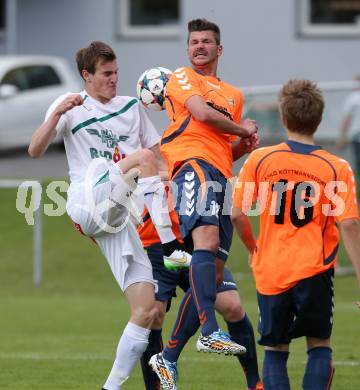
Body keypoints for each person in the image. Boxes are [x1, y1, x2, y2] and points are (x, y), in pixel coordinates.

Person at [27, 41, 183, 390]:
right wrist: (56, 114)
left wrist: (172, 179)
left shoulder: (130, 106)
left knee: (147, 309)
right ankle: (172, 248)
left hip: (115, 216)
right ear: (87, 75)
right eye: (106, 74)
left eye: (116, 72)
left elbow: (157, 163)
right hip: (87, 197)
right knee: (139, 159)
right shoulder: (70, 106)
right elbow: (35, 150)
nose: (115, 79)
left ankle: (110, 387)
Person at [232, 79, 360, 390]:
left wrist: (253, 248)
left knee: (275, 349)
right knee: (319, 344)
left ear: (284, 118)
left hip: (272, 269)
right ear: (319, 119)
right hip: (314, 269)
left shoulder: (260, 159)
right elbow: (349, 225)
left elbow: (236, 213)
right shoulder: (336, 167)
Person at [139, 188, 263, 390]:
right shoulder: (155, 157)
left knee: (232, 306)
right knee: (152, 314)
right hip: (157, 243)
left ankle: (255, 384)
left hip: (196, 240)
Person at [337, 75, 360, 181]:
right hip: (357, 136)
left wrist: (342, 136)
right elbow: (347, 119)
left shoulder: (353, 98)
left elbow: (347, 119)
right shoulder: (353, 98)